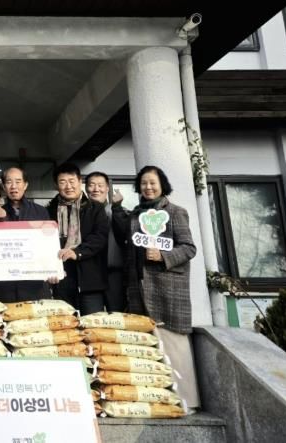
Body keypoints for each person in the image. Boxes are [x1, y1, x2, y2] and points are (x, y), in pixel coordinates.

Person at [112, 165, 200, 409]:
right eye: (143, 183)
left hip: (167, 288)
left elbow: (189, 248)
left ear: (162, 185)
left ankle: (186, 401)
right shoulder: (136, 215)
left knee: (173, 344)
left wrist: (163, 255)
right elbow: (123, 240)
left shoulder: (175, 212)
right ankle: (159, 401)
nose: (148, 187)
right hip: (138, 289)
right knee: (146, 350)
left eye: (152, 183)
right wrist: (117, 208)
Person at [46, 163, 110, 315]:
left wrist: (77, 252)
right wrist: (49, 269)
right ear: (56, 186)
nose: (68, 186)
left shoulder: (95, 208)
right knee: (65, 323)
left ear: (80, 181)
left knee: (93, 323)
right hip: (62, 278)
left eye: (72, 181)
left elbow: (100, 237)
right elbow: (45, 244)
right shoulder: (48, 211)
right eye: (63, 182)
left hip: (90, 280)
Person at [0, 166, 52, 302]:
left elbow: (48, 245)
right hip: (5, 286)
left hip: (35, 285)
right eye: (9, 182)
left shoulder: (40, 212)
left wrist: (52, 269)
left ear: (25, 185)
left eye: (18, 181)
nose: (13, 186)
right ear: (4, 186)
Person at [85, 171, 126, 312]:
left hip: (114, 274)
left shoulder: (116, 210)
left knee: (117, 316)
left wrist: (117, 208)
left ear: (107, 188)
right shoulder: (80, 213)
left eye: (100, 185)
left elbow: (124, 234)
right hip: (90, 274)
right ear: (86, 188)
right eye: (92, 185)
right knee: (92, 317)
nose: (96, 189)